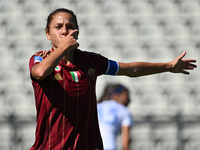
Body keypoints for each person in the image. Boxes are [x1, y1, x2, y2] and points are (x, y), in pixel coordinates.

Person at [28, 8, 197, 150]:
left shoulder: (90, 61)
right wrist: (63, 47)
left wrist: (168, 66)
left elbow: (131, 69)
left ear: (77, 32)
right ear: (48, 34)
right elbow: (40, 73)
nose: (64, 31)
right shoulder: (39, 58)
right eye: (58, 27)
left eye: (70, 26)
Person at [97, 83, 133, 150]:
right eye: (126, 96)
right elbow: (125, 141)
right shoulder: (124, 110)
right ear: (116, 96)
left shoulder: (97, 106)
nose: (129, 100)